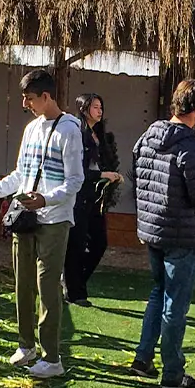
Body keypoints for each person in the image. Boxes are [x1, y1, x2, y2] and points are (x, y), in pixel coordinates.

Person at [0, 69, 85, 379]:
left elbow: (76, 180)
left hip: (54, 220)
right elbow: (20, 175)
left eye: (30, 98)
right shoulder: (32, 128)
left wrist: (46, 199)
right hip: (24, 217)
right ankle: (26, 345)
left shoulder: (70, 131)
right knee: (22, 284)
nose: (26, 104)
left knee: (47, 287)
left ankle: (52, 357)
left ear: (46, 97)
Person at [128, 79, 195, 388]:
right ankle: (172, 373)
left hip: (152, 229)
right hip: (181, 235)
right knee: (175, 303)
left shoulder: (147, 137)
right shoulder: (191, 147)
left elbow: (138, 177)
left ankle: (143, 359)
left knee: (158, 292)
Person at [64, 93, 123, 306]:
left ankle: (74, 282)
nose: (100, 111)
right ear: (84, 108)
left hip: (95, 197)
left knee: (99, 243)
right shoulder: (78, 133)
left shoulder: (98, 134)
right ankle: (75, 292)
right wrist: (102, 175)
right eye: (95, 107)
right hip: (79, 196)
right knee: (77, 244)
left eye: (101, 107)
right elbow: (76, 171)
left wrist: (109, 175)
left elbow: (98, 165)